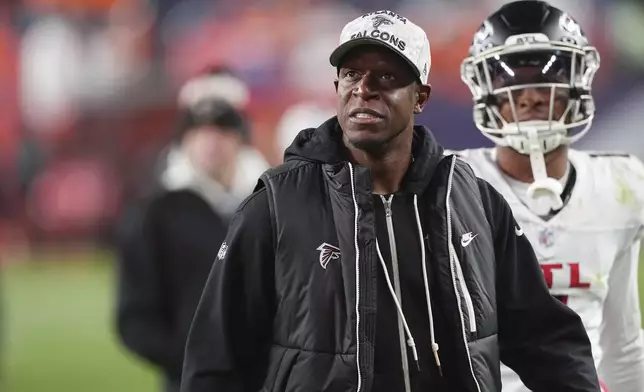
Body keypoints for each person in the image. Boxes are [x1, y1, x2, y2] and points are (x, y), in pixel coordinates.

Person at [181, 9, 600, 392]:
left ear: (421, 96)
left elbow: (545, 338)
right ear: (336, 86)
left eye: (386, 77)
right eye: (351, 74)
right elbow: (216, 360)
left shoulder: (473, 200)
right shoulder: (275, 204)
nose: (363, 89)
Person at [453, 1, 644, 391]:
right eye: (511, 80)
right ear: (485, 88)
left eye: (547, 74)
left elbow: (622, 346)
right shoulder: (450, 184)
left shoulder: (620, 185)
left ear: (578, 81)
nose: (530, 96)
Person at [115, 97, 268, 392]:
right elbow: (134, 315)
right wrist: (189, 360)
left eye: (222, 131)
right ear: (184, 142)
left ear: (240, 140)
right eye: (199, 132)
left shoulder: (268, 205)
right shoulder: (156, 213)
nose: (211, 141)